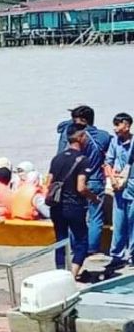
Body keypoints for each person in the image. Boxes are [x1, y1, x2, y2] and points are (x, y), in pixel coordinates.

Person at [47, 127, 98, 277]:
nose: (87, 139)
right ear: (80, 138)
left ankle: (60, 274)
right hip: (74, 206)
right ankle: (72, 275)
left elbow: (49, 182)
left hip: (56, 206)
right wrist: (93, 197)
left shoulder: (57, 158)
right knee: (82, 241)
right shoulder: (83, 160)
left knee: (61, 240)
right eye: (86, 136)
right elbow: (81, 187)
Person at [63, 105, 110, 251]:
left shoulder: (71, 135)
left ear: (82, 120)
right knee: (95, 218)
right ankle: (91, 249)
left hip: (75, 181)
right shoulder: (103, 136)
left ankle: (75, 248)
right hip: (96, 180)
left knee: (75, 216)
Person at [105, 112, 134, 268]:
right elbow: (108, 162)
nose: (115, 129)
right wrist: (112, 178)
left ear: (127, 125)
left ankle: (132, 255)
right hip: (118, 187)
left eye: (118, 125)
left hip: (132, 185)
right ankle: (116, 254)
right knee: (119, 221)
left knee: (132, 222)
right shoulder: (114, 142)